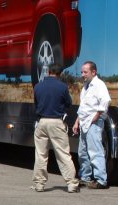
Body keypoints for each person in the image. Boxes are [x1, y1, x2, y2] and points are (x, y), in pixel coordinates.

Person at [31, 62, 80, 193]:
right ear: (60, 74)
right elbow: (68, 103)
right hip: (56, 122)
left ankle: (39, 184)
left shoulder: (38, 87)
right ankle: (71, 184)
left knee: (41, 155)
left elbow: (36, 104)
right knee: (63, 153)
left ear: (48, 72)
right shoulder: (62, 87)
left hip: (41, 122)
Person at [73, 60, 111, 189]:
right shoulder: (86, 86)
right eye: (82, 72)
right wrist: (77, 122)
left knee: (95, 151)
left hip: (93, 122)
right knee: (82, 152)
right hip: (84, 121)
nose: (83, 74)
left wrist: (97, 116)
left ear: (93, 72)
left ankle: (101, 180)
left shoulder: (99, 85)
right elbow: (83, 106)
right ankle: (85, 177)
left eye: (85, 72)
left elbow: (105, 101)